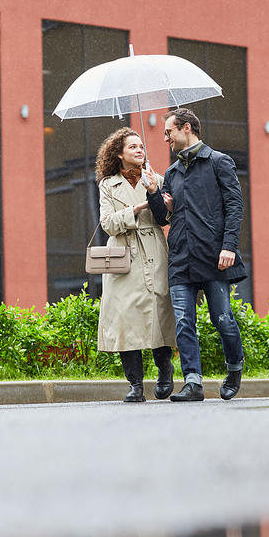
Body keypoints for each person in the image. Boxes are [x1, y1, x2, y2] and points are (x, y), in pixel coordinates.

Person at [145, 108, 246, 403]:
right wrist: (154, 193)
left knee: (223, 319)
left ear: (186, 128)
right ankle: (193, 383)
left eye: (169, 132)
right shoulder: (172, 173)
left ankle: (235, 366)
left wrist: (229, 246)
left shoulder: (218, 162)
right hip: (180, 256)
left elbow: (234, 206)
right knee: (184, 322)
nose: (165, 138)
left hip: (214, 255)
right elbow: (164, 218)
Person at [96, 127, 176, 403]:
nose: (140, 150)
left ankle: (165, 370)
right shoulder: (107, 185)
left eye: (141, 146)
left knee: (160, 314)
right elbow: (108, 224)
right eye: (132, 147)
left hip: (154, 251)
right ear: (119, 153)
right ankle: (135, 385)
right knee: (126, 319)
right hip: (124, 257)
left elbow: (165, 218)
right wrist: (138, 208)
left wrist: (156, 194)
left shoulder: (158, 179)